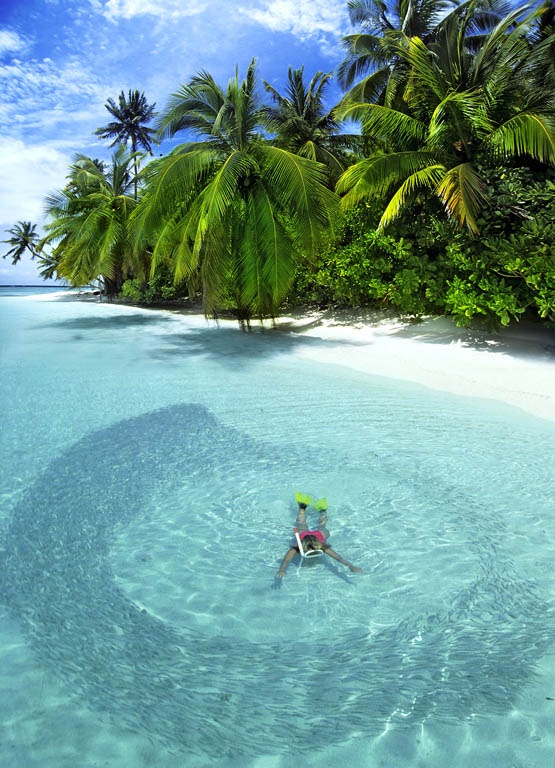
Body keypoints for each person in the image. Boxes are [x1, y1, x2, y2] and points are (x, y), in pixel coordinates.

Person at [275, 494, 364, 579]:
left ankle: (321, 510)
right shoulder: (295, 548)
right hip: (303, 535)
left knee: (320, 527)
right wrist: (282, 570)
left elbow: (338, 558)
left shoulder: (322, 546)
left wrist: (351, 566)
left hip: (319, 535)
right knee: (301, 524)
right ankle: (303, 507)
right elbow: (286, 560)